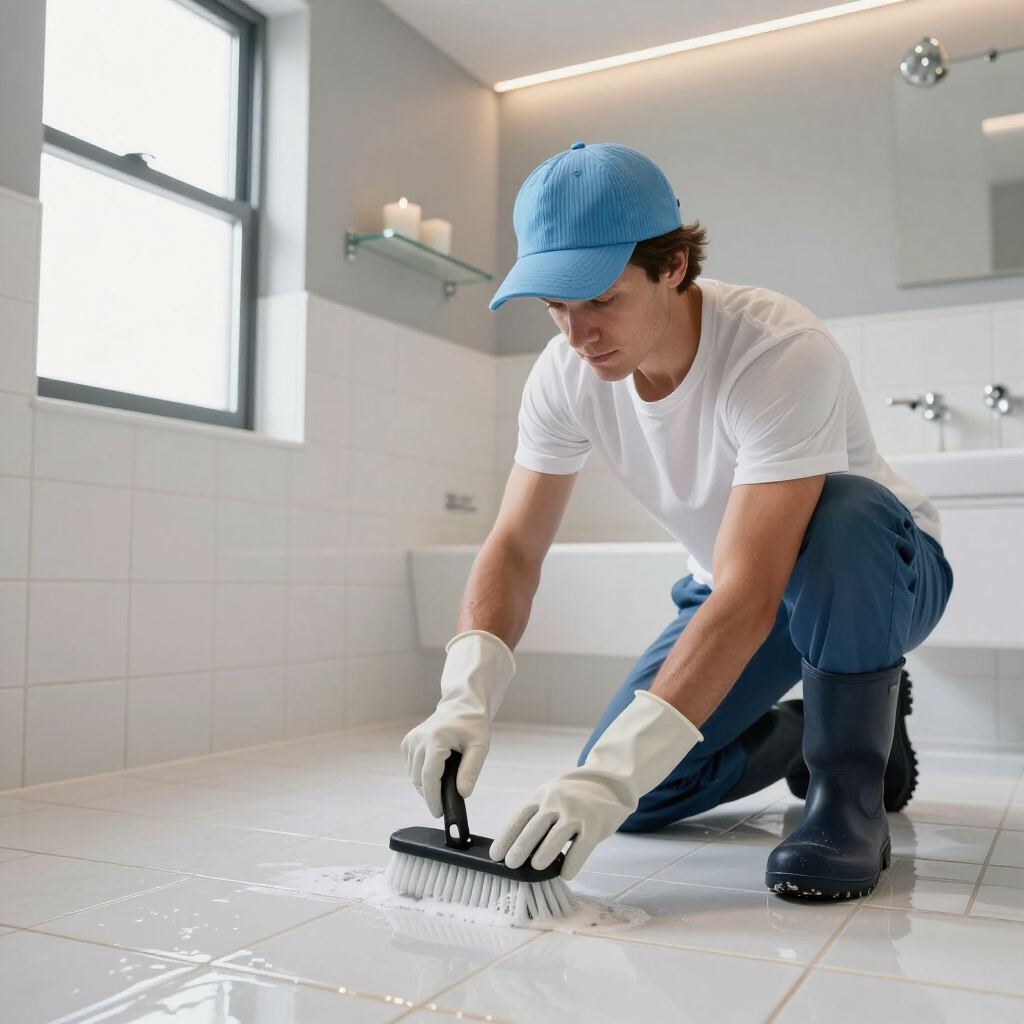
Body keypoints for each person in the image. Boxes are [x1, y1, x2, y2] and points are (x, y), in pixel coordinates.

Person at [401, 142, 953, 899]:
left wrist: (607, 775)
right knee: (643, 794)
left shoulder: (779, 350)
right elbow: (516, 546)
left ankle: (846, 799)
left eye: (600, 299)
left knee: (844, 513)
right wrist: (465, 691)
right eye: (556, 305)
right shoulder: (566, 376)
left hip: (876, 572)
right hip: (730, 589)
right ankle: (815, 730)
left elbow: (754, 590)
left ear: (673, 268)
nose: (577, 334)